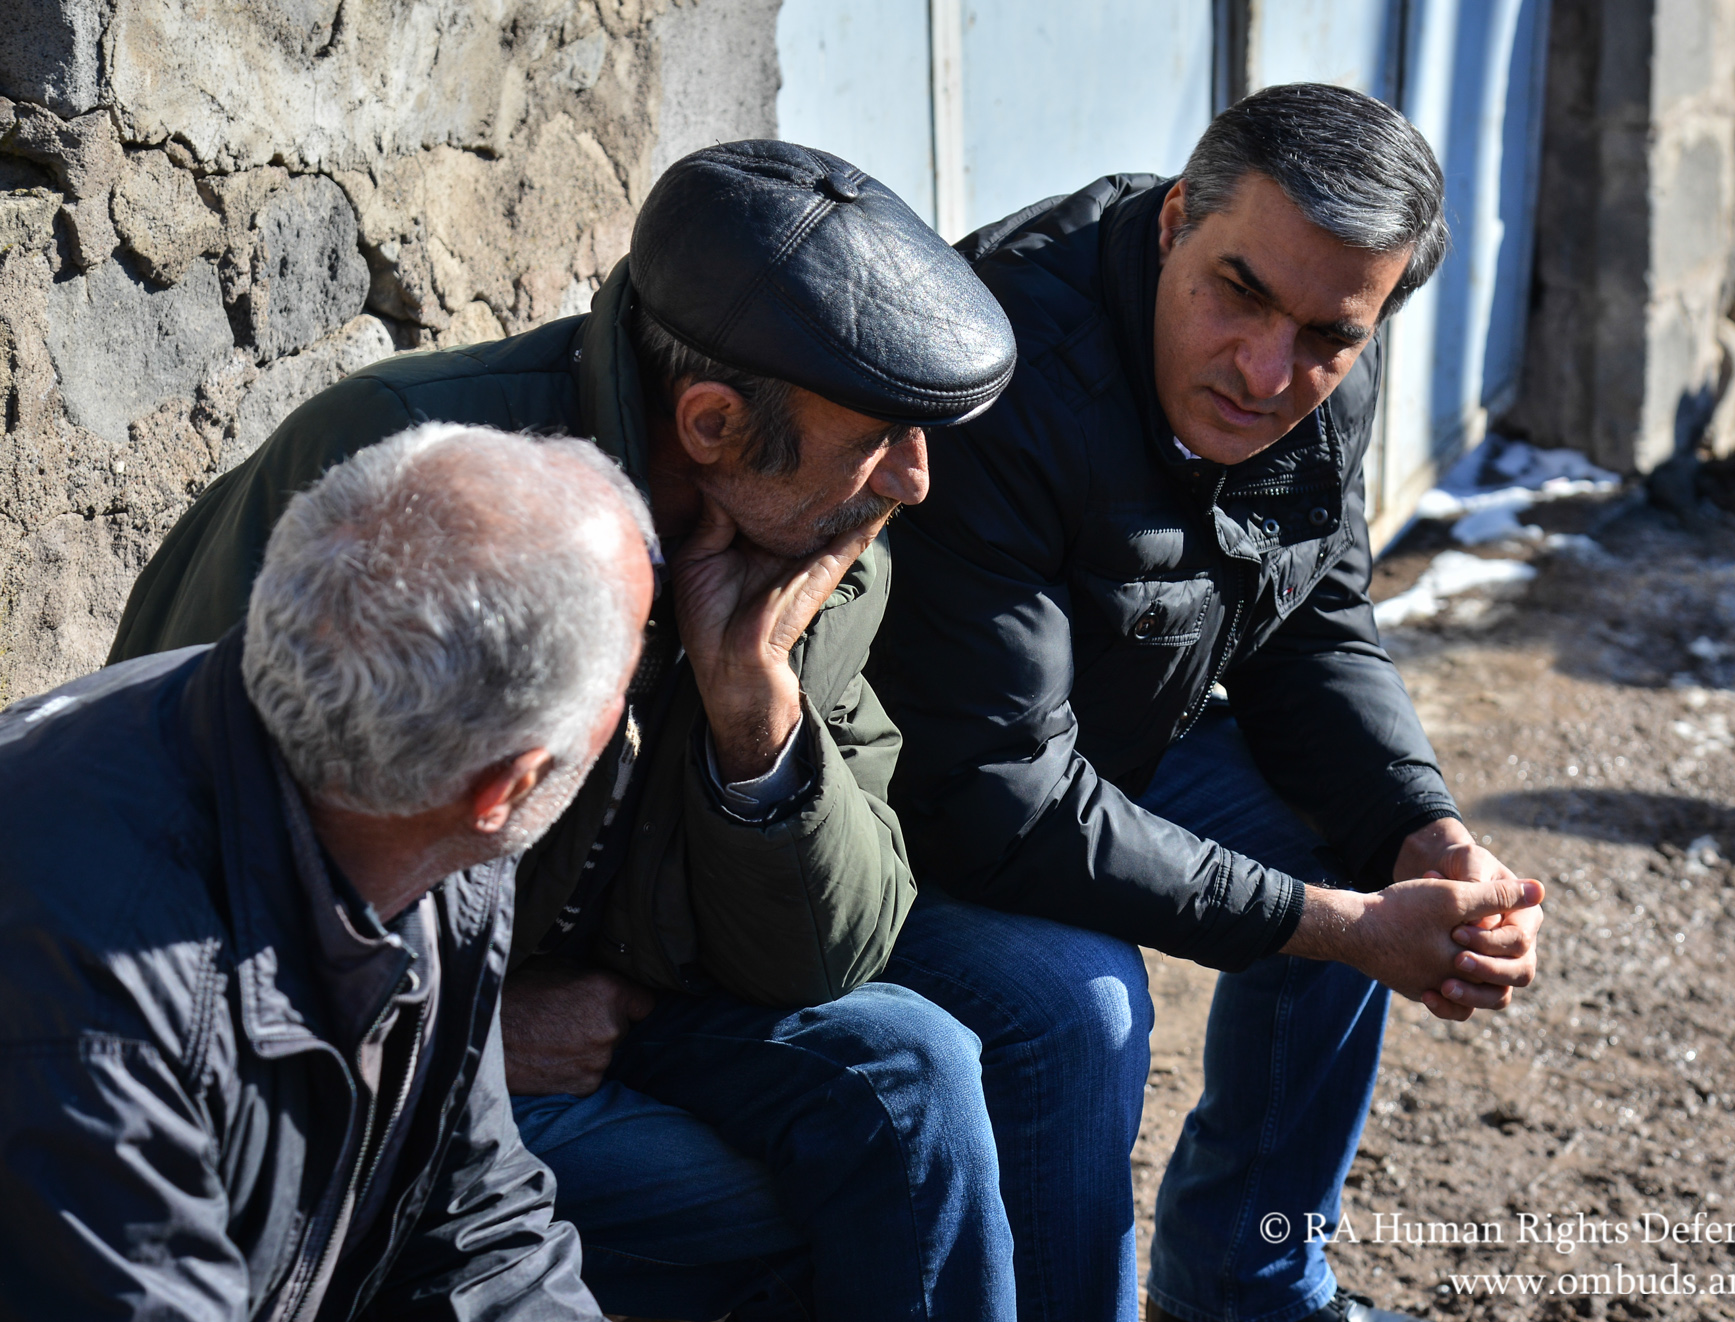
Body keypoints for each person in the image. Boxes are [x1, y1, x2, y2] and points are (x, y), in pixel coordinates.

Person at [106, 141, 1022, 1321]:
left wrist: (752, 706)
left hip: (641, 1000)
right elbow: (176, 876)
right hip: (384, 1042)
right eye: (880, 437)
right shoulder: (411, 476)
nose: (915, 480)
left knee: (918, 1073)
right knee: (775, 1214)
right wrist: (470, 1032)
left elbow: (821, 958)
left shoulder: (823, 547)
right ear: (712, 422)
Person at [870, 84, 1548, 1322]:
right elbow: (994, 796)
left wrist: (1421, 831)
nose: (1266, 371)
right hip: (907, 804)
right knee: (1078, 1005)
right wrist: (1336, 926)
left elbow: (1314, 622)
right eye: (1239, 292)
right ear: (1177, 217)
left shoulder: (1327, 360)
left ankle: (1248, 1288)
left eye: (1330, 335)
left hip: (1106, 742)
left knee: (1354, 845)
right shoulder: (1004, 370)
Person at [0, 424, 652, 1320]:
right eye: (630, 668)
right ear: (509, 787)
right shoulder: (90, 1014)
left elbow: (476, 1226)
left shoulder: (424, 827)